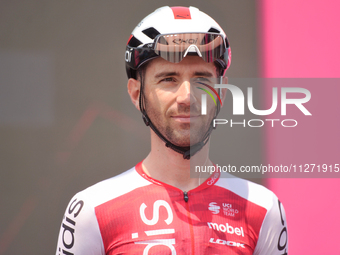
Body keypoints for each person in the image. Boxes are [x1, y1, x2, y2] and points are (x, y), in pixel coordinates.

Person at [55, 6, 288, 255]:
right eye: (168, 79)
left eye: (202, 79)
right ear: (136, 93)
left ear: (221, 92)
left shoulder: (263, 209)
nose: (187, 97)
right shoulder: (92, 210)